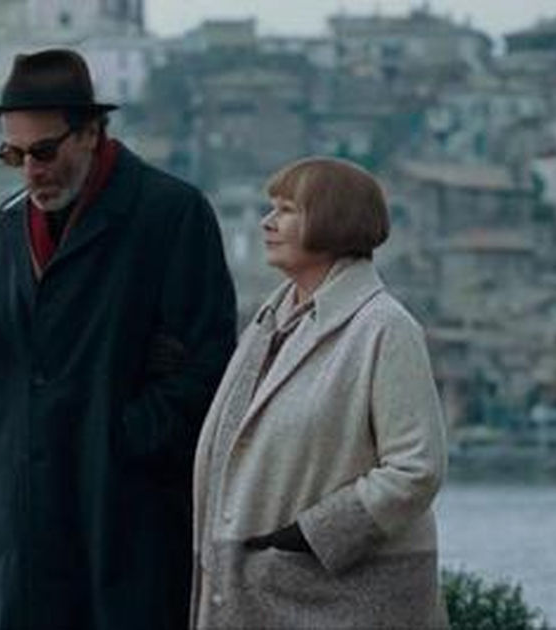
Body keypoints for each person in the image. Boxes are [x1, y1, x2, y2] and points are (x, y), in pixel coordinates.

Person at [0, 48, 237, 630]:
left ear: (91, 132)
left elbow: (207, 368)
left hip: (128, 521)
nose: (30, 171)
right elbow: (12, 356)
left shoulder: (172, 213)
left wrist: (118, 444)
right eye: (12, 155)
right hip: (25, 522)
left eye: (43, 151)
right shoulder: (4, 228)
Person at [191, 157, 449, 628]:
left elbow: (417, 466)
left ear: (334, 220)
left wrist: (313, 535)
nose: (267, 222)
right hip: (258, 591)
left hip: (340, 598)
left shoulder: (384, 327)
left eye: (287, 210)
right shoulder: (269, 323)